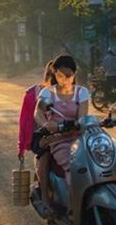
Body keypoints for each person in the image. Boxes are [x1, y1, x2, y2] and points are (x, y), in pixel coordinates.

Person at [34, 54, 90, 216]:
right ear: (55, 74)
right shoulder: (47, 93)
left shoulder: (82, 92)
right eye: (60, 75)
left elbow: (82, 117)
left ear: (74, 74)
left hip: (80, 138)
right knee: (74, 167)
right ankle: (74, 209)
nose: (64, 79)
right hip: (59, 140)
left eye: (68, 75)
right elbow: (38, 112)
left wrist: (81, 124)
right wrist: (46, 123)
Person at [17, 60, 54, 161]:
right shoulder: (32, 94)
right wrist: (21, 148)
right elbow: (23, 121)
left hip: (63, 135)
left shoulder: (69, 95)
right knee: (46, 152)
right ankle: (44, 176)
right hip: (39, 135)